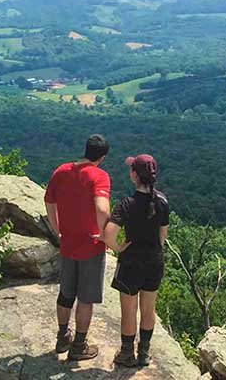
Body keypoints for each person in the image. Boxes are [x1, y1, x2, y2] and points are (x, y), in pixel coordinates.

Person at [44, 134, 127, 361]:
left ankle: (63, 336)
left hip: (68, 242)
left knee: (66, 293)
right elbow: (102, 209)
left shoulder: (61, 171)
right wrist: (104, 234)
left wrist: (57, 229)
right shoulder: (99, 176)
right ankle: (79, 346)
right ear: (101, 157)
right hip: (91, 246)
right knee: (86, 297)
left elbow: (49, 201)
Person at [102, 154, 170, 368]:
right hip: (154, 261)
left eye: (131, 168)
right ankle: (144, 353)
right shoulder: (162, 201)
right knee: (148, 309)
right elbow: (162, 235)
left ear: (134, 175)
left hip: (131, 261)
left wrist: (118, 247)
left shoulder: (127, 203)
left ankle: (126, 354)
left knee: (129, 310)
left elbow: (108, 233)